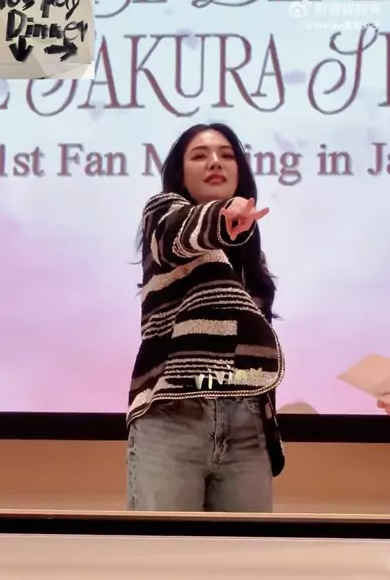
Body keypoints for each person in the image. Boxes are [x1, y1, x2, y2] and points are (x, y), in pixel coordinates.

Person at [126, 123, 285, 512]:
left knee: (247, 551)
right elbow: (180, 234)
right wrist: (222, 219)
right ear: (180, 175)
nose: (215, 162)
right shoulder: (163, 216)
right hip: (173, 416)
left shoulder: (252, 256)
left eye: (226, 155)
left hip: (246, 423)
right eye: (200, 155)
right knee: (163, 550)